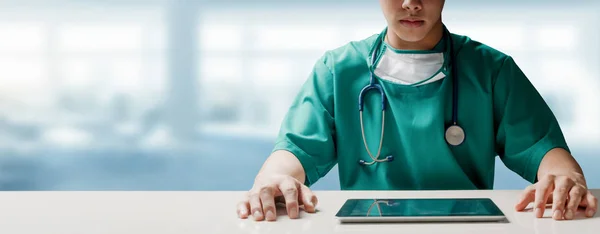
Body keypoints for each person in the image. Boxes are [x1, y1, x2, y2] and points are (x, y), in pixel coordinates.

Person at [236, 0, 597, 222]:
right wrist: (272, 180)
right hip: (367, 226)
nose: (411, 3)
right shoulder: (338, 70)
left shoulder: (491, 70)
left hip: (465, 227)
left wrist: (566, 177)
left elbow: (543, 148)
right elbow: (294, 150)